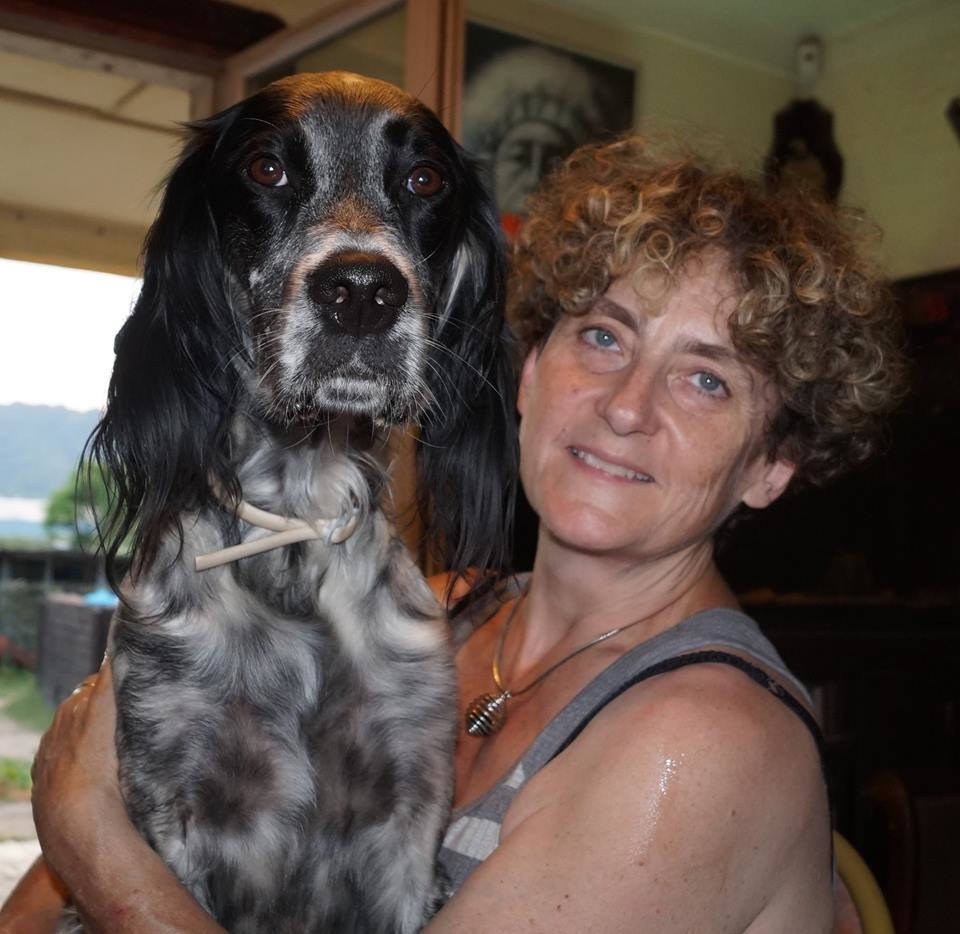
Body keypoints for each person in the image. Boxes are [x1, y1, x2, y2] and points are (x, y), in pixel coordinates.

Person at [1, 136, 903, 932]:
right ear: (530, 370)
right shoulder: (436, 611)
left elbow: (94, 820)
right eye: (602, 337)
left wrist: (88, 834)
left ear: (772, 464)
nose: (627, 407)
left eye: (706, 380)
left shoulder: (705, 743)